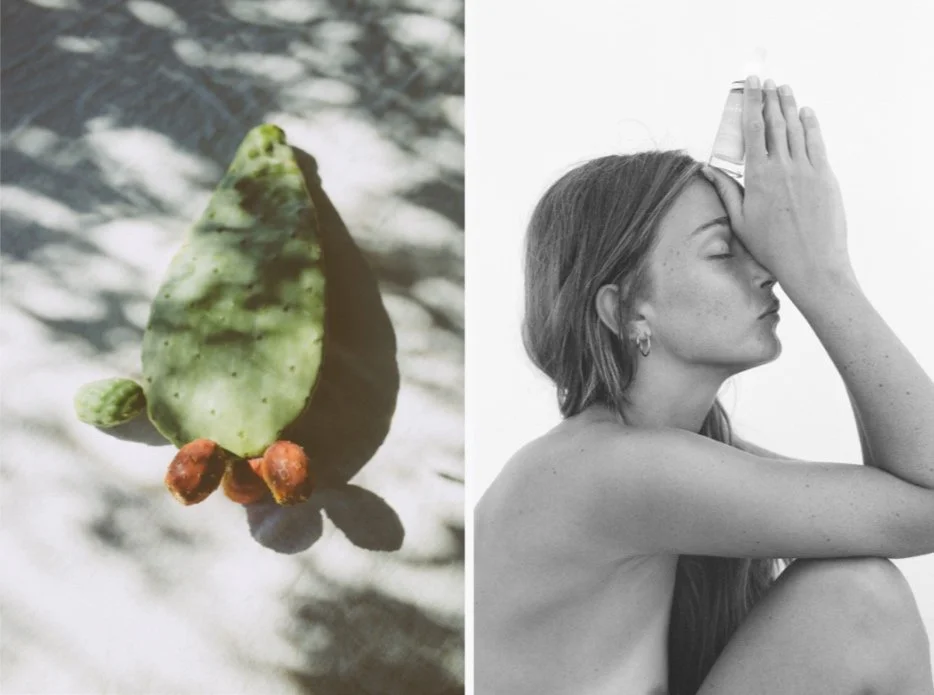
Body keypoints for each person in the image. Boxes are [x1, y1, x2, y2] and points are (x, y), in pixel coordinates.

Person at [474, 76, 934, 695]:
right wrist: (821, 273)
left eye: (756, 248)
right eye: (724, 252)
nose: (768, 270)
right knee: (856, 600)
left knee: (854, 589)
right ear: (627, 311)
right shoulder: (613, 470)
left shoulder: (652, 453)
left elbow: (907, 497)